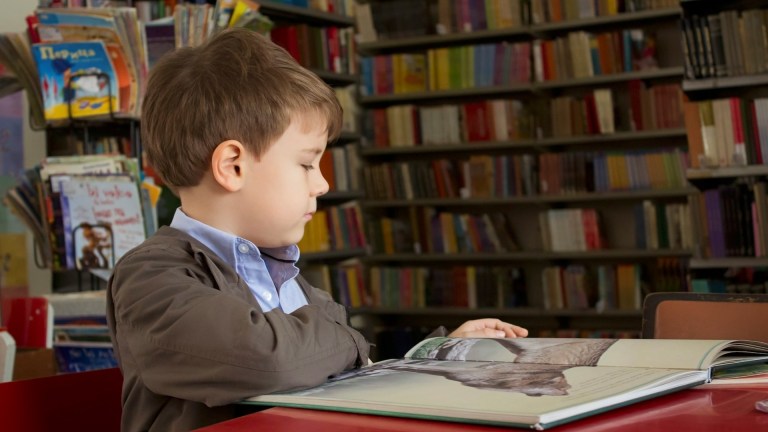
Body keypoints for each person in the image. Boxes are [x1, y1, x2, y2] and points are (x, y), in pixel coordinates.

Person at [106, 27, 528, 432]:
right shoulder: (150, 278)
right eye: (307, 163)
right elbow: (272, 360)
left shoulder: (284, 275)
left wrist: (435, 354)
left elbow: (336, 369)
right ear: (232, 166)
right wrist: (347, 339)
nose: (323, 184)